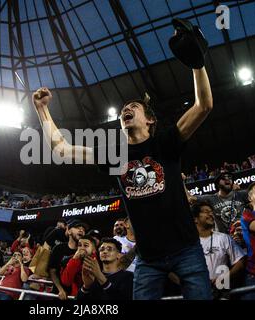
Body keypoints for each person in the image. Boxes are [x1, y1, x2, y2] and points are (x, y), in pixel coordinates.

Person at [33, 24, 213, 298]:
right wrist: (42, 109)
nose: (125, 110)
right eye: (122, 110)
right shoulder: (114, 154)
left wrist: (197, 64)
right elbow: (60, 148)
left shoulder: (165, 142)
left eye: (133, 107)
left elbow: (203, 107)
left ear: (150, 119)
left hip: (186, 251)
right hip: (148, 260)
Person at [192, 201, 246, 298]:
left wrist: (223, 277)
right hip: (198, 292)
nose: (211, 214)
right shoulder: (189, 243)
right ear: (195, 219)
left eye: (211, 212)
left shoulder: (224, 238)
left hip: (222, 292)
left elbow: (241, 261)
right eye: (206, 211)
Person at [48, 219, 86, 300]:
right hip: (59, 294)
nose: (81, 230)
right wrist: (60, 289)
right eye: (77, 227)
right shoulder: (58, 248)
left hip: (78, 295)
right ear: (69, 231)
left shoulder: (85, 251)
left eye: (83, 229)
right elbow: (52, 271)